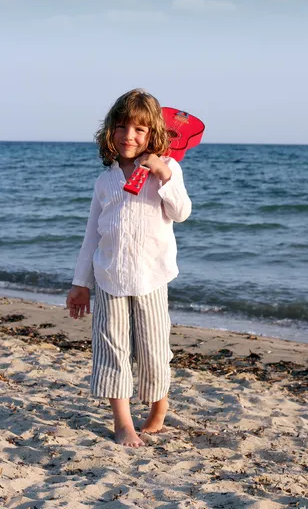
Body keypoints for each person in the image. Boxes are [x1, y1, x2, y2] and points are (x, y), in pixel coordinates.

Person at [66, 89, 192, 448]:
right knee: (112, 349)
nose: (129, 136)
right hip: (109, 277)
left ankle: (157, 411)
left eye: (139, 129)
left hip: (152, 276)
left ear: (153, 133)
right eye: (121, 127)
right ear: (110, 131)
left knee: (154, 349)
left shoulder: (168, 170)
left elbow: (181, 213)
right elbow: (92, 235)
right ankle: (123, 423)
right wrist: (80, 284)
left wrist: (164, 174)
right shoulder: (105, 180)